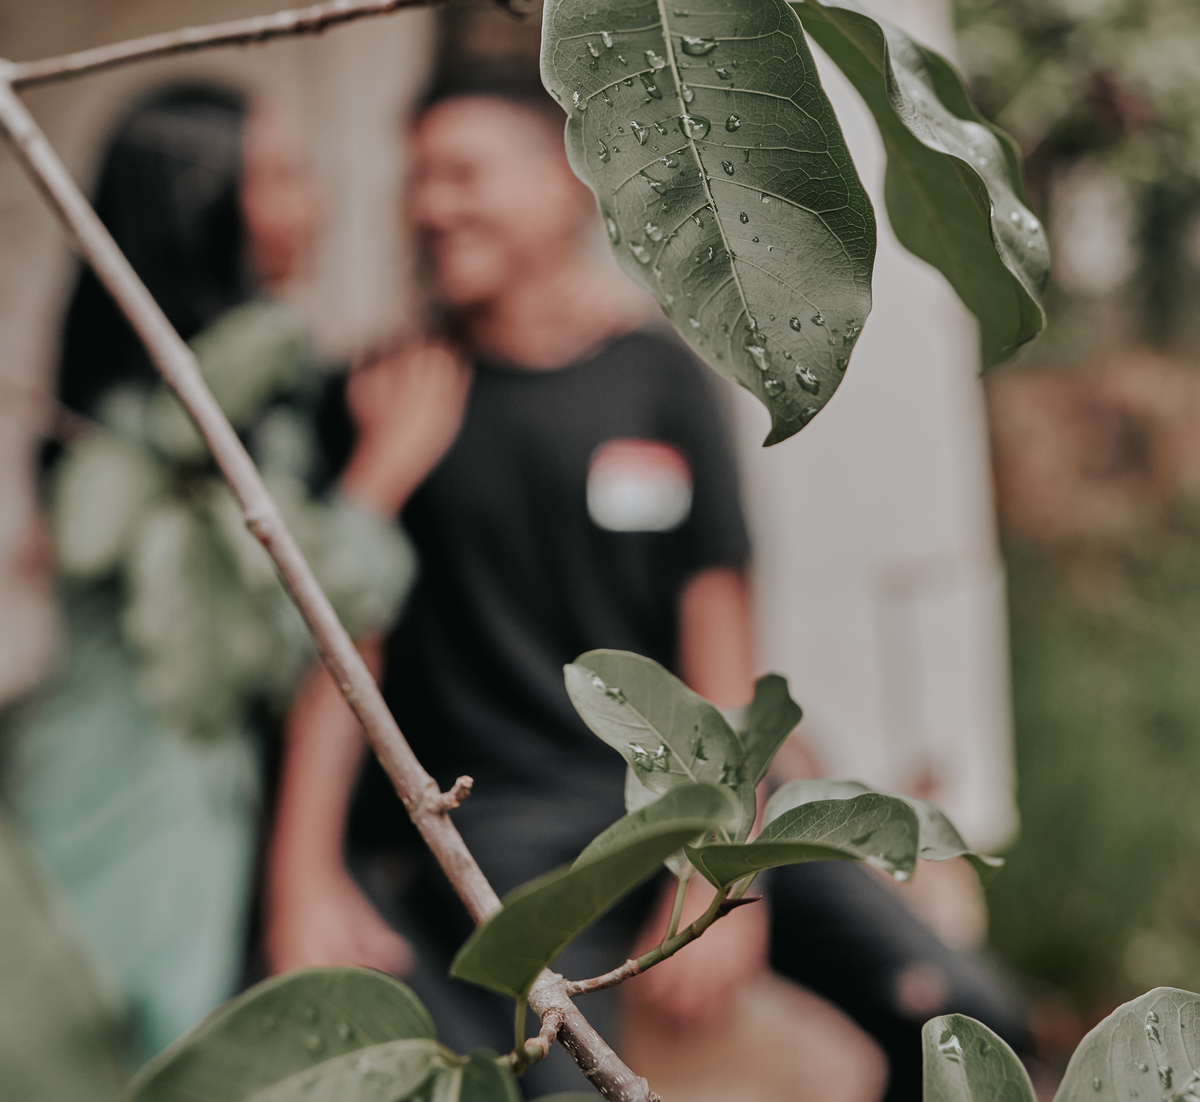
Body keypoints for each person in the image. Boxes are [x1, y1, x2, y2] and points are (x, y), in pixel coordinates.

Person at [265, 66, 1030, 1100]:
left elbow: (719, 642)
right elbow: (341, 650)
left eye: (464, 174)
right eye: (418, 179)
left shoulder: (659, 378)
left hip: (676, 800)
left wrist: (717, 878)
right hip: (504, 827)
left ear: (562, 184)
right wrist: (301, 875)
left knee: (965, 1017)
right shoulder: (387, 395)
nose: (432, 206)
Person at [2, 81, 414, 1069]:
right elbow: (296, 620)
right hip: (123, 800)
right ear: (202, 205)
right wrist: (379, 483)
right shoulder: (155, 419)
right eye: (279, 178)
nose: (312, 205)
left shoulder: (233, 394)